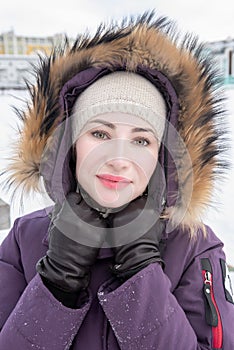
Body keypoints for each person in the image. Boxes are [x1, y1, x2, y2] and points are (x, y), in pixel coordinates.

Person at [0, 10, 234, 350]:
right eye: (99, 133)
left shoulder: (194, 246)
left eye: (141, 140)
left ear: (161, 155)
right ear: (71, 145)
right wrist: (56, 283)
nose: (119, 158)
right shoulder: (25, 239)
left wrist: (141, 274)